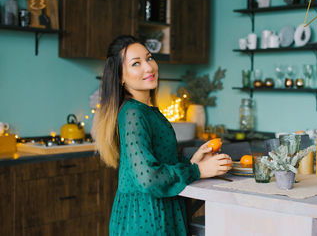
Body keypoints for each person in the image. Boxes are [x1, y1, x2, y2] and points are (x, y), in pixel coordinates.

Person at [92, 35, 232, 236]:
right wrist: (198, 171)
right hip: (145, 220)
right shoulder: (133, 113)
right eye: (136, 64)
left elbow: (157, 163)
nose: (148, 67)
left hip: (155, 214)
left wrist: (192, 162)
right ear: (121, 77)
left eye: (149, 58)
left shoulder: (146, 110)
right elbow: (148, 178)